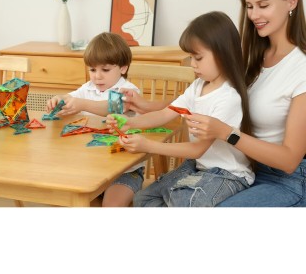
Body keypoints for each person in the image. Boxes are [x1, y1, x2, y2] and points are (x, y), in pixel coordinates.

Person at [181, 0, 306, 207]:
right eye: (249, 6)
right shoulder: (252, 58)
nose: (254, 15)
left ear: (292, 2)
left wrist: (226, 133)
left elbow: (290, 160)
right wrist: (145, 105)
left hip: (285, 180)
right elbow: (201, 96)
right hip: (238, 170)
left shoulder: (300, 68)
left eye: (263, 5)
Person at [107, 11, 254, 207]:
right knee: (142, 198)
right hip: (199, 167)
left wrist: (148, 146)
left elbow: (197, 149)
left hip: (228, 175)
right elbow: (164, 114)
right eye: (191, 57)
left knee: (184, 201)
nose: (192, 64)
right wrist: (129, 122)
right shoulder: (198, 86)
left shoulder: (228, 98)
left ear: (222, 54)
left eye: (198, 58)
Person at [45, 32, 143, 207]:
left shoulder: (129, 91)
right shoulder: (88, 88)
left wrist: (82, 104)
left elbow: (113, 107)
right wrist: (59, 100)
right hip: (90, 167)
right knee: (60, 199)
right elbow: (69, 97)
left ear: (123, 68)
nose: (97, 76)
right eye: (92, 70)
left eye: (105, 70)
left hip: (125, 171)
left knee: (111, 207)